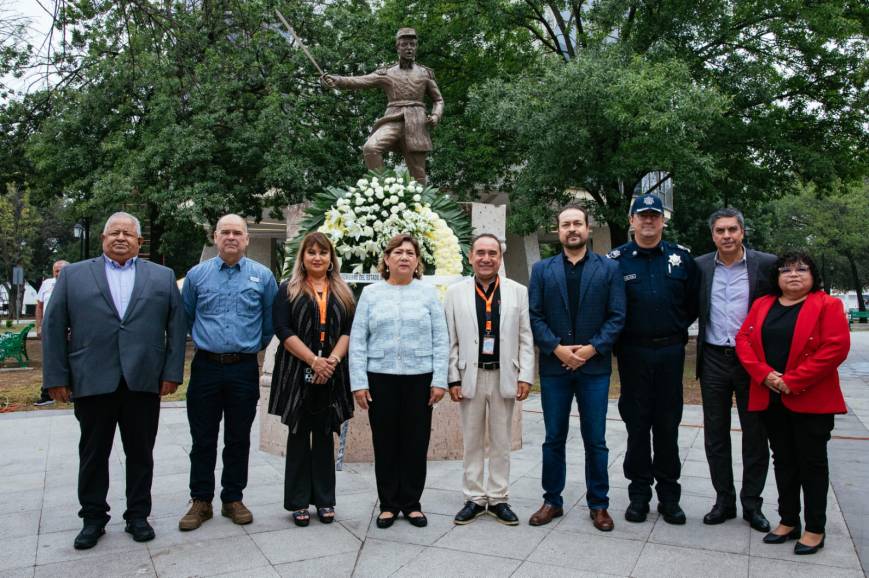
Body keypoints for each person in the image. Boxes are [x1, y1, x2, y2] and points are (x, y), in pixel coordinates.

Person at [41, 212, 186, 549]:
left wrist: (171, 373)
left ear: (139, 242)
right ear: (103, 239)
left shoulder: (161, 277)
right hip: (92, 379)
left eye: (128, 233)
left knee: (140, 452)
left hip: (143, 380)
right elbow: (52, 327)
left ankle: (138, 515)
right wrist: (56, 377)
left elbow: (176, 329)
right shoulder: (74, 276)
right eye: (114, 233)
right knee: (93, 453)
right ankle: (93, 518)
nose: (121, 238)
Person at [736, 251, 849, 555]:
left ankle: (814, 527)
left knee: (811, 464)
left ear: (813, 275)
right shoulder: (763, 305)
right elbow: (743, 341)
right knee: (783, 461)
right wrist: (765, 375)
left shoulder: (828, 305)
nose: (793, 274)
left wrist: (792, 380)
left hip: (810, 399)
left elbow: (835, 348)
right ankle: (788, 520)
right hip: (771, 398)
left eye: (801, 269)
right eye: (785, 270)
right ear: (776, 277)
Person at [527, 204, 626, 530]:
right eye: (566, 224)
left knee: (595, 439)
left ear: (588, 229)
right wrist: (556, 349)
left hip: (594, 368)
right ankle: (551, 501)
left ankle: (599, 504)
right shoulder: (542, 270)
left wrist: (589, 349)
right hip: (555, 369)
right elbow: (535, 315)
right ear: (558, 230)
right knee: (554, 437)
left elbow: (617, 316)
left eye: (577, 223)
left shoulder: (608, 269)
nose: (572, 229)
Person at [179, 214, 278, 531]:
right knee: (202, 438)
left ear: (247, 239)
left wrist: (249, 347)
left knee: (238, 438)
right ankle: (201, 500)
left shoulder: (263, 277)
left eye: (238, 233)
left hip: (243, 368)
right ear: (215, 237)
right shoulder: (197, 276)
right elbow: (186, 316)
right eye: (226, 232)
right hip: (206, 366)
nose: (232, 237)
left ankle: (233, 498)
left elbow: (269, 323)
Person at [609, 193, 699, 525]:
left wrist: (671, 330)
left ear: (663, 220)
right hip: (632, 353)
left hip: (670, 352)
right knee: (636, 424)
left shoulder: (681, 258)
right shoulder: (615, 260)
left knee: (667, 424)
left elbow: (691, 305)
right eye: (642, 215)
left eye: (654, 216)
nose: (648, 221)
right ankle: (639, 496)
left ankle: (669, 497)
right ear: (631, 220)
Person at [348, 233, 448, 528]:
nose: (404, 257)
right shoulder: (371, 294)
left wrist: (439, 379)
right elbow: (358, 341)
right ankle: (389, 504)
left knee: (416, 442)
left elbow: (441, 339)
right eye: (398, 252)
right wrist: (359, 383)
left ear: (417, 261)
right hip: (381, 379)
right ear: (387, 259)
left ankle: (412, 503)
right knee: (386, 442)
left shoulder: (428, 294)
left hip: (420, 379)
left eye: (410, 253)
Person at [445, 234, 535, 526]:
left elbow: (525, 337)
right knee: (471, 441)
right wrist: (452, 378)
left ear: (500, 257)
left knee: (500, 441)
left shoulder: (517, 291)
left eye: (492, 253)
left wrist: (525, 375)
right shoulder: (455, 292)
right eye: (480, 253)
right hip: (470, 375)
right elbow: (451, 339)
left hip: (503, 374)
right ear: (470, 256)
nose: (486, 258)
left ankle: (498, 498)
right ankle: (473, 497)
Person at [696, 208, 777, 532]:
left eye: (732, 229)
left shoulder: (767, 265)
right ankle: (724, 501)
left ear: (742, 232)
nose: (726, 236)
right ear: (713, 235)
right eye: (720, 231)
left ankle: (752, 504)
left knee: (755, 434)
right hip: (714, 357)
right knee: (715, 434)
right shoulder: (700, 267)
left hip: (752, 361)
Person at [269, 232, 355, 527]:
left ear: (332, 258)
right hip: (297, 371)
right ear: (302, 258)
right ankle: (297, 501)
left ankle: (324, 500)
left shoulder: (343, 290)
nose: (317, 257)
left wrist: (332, 361)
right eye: (311, 252)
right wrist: (313, 360)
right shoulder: (288, 289)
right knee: (298, 433)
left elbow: (348, 330)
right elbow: (282, 329)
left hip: (331, 372)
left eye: (323, 252)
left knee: (323, 434)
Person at [321, 28, 444, 184]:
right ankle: (383, 191)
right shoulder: (387, 73)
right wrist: (337, 80)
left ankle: (424, 205)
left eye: (412, 44)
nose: (409, 48)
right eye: (405, 44)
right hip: (393, 119)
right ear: (397, 48)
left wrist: (435, 115)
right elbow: (361, 81)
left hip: (417, 123)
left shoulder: (425, 73)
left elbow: (438, 100)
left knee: (418, 174)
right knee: (371, 148)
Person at [34, 259, 69, 406]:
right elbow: (40, 306)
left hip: (69, 328)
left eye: (62, 270)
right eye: (56, 270)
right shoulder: (47, 284)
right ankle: (47, 394)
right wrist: (39, 326)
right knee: (49, 360)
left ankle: (71, 392)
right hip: (51, 328)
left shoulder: (75, 283)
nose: (59, 273)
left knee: (69, 359)